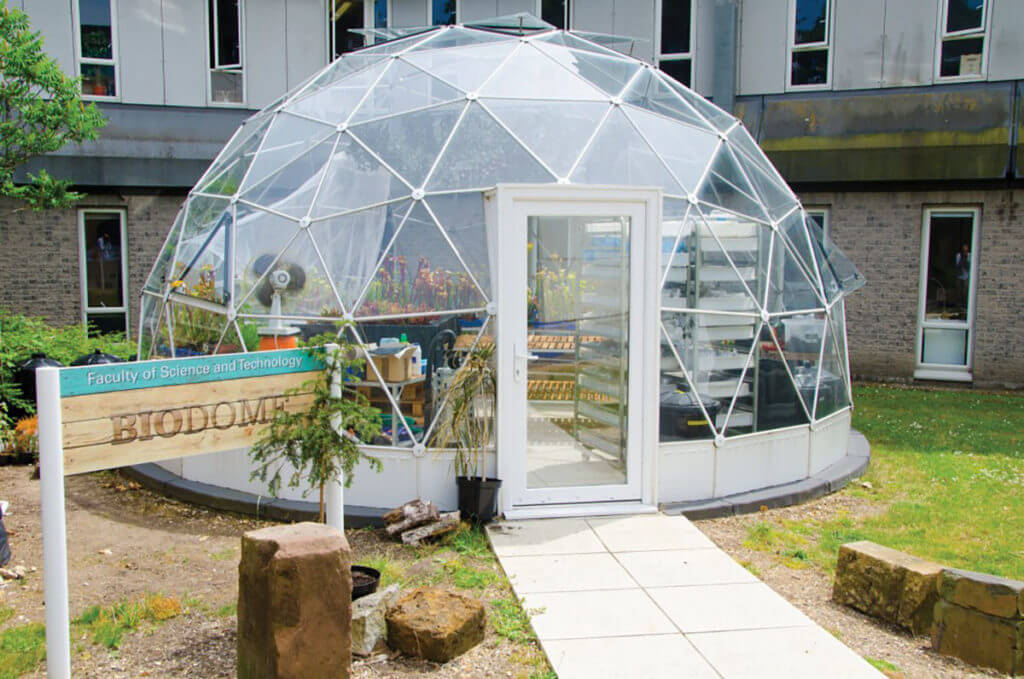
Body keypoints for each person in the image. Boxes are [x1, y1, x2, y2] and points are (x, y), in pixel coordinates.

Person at [954, 243, 971, 312]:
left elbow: (969, 265)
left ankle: (965, 304)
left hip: (967, 275)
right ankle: (959, 305)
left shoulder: (970, 255)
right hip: (959, 275)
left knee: (965, 290)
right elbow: (957, 264)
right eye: (964, 247)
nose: (965, 249)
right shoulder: (958, 255)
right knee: (958, 290)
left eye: (966, 247)